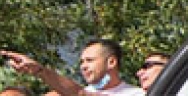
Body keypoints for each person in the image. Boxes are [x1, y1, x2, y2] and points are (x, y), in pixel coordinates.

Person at [2, 41, 142, 96]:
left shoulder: (136, 94)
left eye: (90, 60)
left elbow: (80, 94)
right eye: (81, 62)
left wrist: (40, 70)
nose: (83, 66)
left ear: (111, 62)